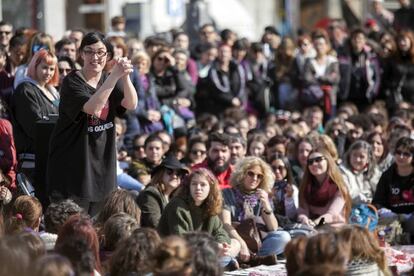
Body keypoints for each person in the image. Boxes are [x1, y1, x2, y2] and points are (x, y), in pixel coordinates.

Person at [47, 32, 137, 216]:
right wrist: (114, 77)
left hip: (102, 168)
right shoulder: (72, 82)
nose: (95, 57)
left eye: (101, 52)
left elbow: (131, 104)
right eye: (89, 52)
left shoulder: (109, 79)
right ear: (81, 54)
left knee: (97, 232)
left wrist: (125, 76)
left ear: (108, 56)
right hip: (73, 171)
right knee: (74, 231)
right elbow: (94, 108)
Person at [158, 168, 240, 264]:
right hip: (177, 253)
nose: (198, 188)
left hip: (202, 251)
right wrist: (212, 246)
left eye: (203, 185)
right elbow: (181, 239)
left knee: (236, 243)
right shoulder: (177, 205)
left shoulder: (209, 206)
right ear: (189, 187)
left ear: (210, 188)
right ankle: (223, 263)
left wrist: (222, 245)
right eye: (194, 184)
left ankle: (223, 262)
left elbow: (220, 232)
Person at [221, 156, 291, 263]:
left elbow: (273, 228)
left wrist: (266, 205)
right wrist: (242, 245)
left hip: (256, 241)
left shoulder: (261, 195)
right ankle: (251, 258)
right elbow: (226, 224)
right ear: (241, 174)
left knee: (284, 237)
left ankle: (254, 258)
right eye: (250, 173)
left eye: (259, 176)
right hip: (234, 238)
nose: (255, 178)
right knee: (229, 247)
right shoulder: (227, 193)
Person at [10, 48, 59, 188]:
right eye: (44, 67)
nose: (48, 73)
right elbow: (35, 127)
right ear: (34, 66)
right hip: (33, 163)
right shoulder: (25, 90)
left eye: (52, 69)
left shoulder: (53, 92)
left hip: (51, 158)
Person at [297, 147, 352, 226]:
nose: (314, 164)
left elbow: (332, 215)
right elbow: (303, 210)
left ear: (328, 161)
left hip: (334, 229)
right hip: (310, 227)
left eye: (318, 160)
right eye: (310, 162)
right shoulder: (306, 187)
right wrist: (304, 219)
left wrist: (315, 223)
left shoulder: (340, 187)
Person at [373, 137, 414, 235]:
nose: (401, 156)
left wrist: (407, 216)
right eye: (398, 152)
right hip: (392, 219)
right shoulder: (387, 175)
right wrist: (386, 212)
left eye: (406, 154)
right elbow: (378, 201)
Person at [136, 154, 189, 228]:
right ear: (160, 174)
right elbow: (155, 224)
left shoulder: (175, 197)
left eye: (178, 173)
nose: (174, 176)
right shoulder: (150, 194)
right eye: (170, 172)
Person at [340, 140, 382, 205]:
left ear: (368, 159)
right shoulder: (342, 171)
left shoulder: (374, 172)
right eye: (354, 155)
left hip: (372, 208)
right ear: (349, 156)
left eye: (362, 157)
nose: (357, 159)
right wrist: (362, 198)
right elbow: (347, 193)